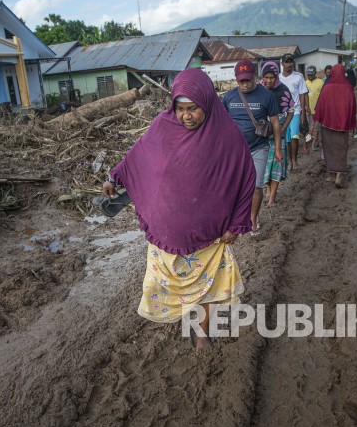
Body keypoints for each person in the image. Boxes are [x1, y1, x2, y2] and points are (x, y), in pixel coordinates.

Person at [102, 68, 255, 354]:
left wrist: (236, 224)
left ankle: (202, 334)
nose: (186, 116)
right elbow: (139, 155)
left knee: (209, 287)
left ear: (207, 103)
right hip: (167, 232)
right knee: (171, 283)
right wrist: (114, 177)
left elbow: (246, 179)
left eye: (193, 109)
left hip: (210, 238)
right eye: (181, 109)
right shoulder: (164, 125)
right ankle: (181, 316)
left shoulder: (228, 137)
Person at [222, 60, 282, 237]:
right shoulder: (229, 97)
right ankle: (234, 217)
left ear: (255, 77)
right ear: (236, 80)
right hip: (235, 151)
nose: (245, 84)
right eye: (241, 81)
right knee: (234, 186)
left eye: (248, 80)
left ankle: (252, 219)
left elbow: (275, 123)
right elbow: (221, 123)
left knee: (256, 186)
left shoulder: (267, 96)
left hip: (259, 148)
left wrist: (278, 149)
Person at [314, 64, 357, 188]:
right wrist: (353, 124)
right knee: (341, 150)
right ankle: (339, 176)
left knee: (329, 150)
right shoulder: (348, 88)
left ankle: (331, 175)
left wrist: (316, 122)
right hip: (343, 126)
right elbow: (352, 108)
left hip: (327, 125)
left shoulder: (327, 88)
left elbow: (320, 107)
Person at [259, 61, 293, 206]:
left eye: (272, 77)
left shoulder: (283, 90)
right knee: (265, 164)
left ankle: (272, 197)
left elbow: (291, 110)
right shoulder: (258, 90)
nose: (268, 80)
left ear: (276, 76)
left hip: (279, 133)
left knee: (277, 164)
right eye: (266, 77)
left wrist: (284, 127)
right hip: (262, 134)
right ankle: (268, 189)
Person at [278, 54, 307, 171]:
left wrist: (303, 113)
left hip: (295, 111)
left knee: (295, 136)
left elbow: (302, 95)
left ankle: (295, 159)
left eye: (291, 62)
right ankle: (289, 160)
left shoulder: (298, 77)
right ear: (282, 64)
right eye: (287, 62)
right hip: (283, 113)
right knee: (287, 138)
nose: (289, 64)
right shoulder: (278, 78)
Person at [304, 66, 325, 153]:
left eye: (312, 74)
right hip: (308, 110)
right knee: (309, 127)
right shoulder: (305, 83)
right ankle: (312, 141)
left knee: (316, 127)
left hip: (318, 109)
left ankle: (314, 143)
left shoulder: (320, 82)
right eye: (308, 75)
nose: (310, 76)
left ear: (315, 73)